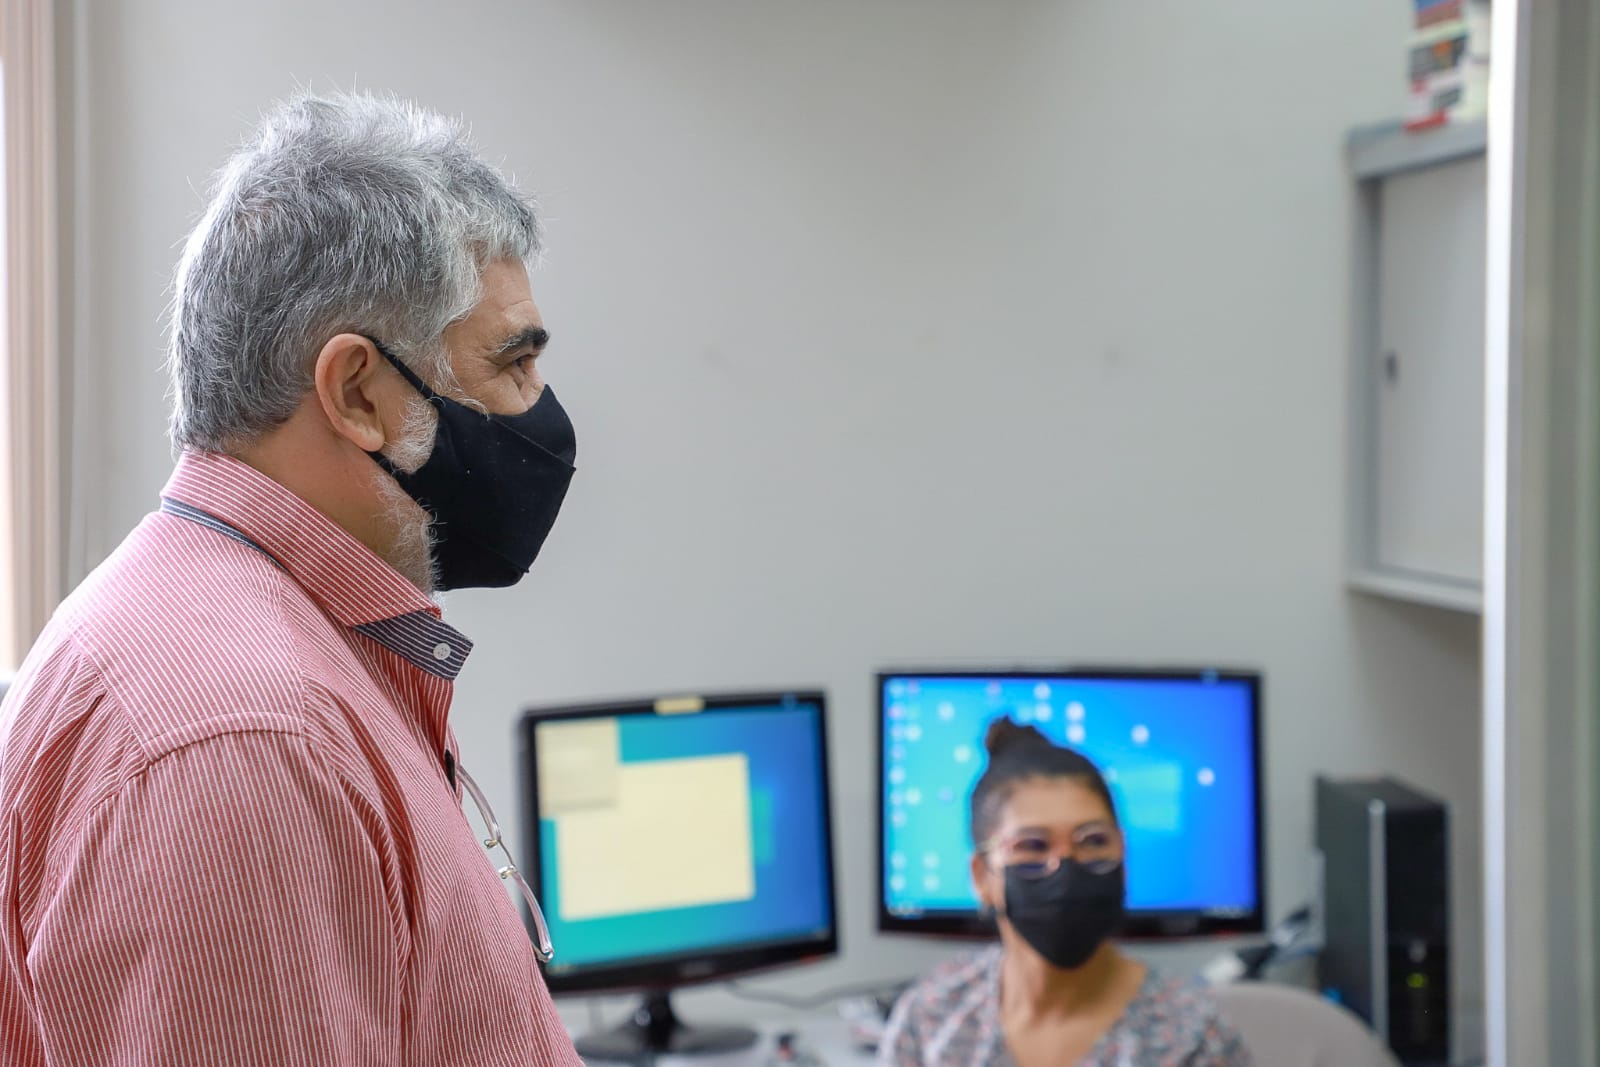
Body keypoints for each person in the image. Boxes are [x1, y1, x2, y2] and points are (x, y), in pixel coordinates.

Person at [0, 93, 583, 1066]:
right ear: (357, 392)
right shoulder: (245, 741)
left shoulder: (261, 652)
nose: (541, 408)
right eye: (511, 364)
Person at [879, 719, 1252, 1067]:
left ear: (1122, 856)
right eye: (1033, 846)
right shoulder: (933, 1017)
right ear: (982, 876)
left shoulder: (1191, 1034)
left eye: (1094, 841)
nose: (1066, 867)